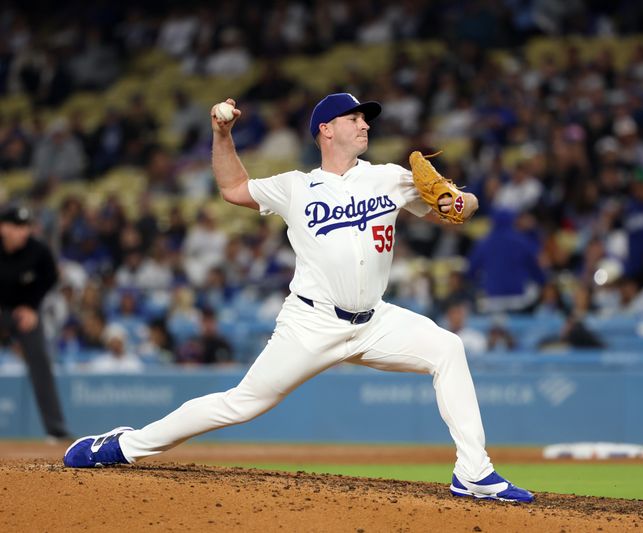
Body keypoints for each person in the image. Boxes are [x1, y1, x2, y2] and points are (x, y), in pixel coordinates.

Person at [64, 93, 533, 503]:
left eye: (366, 119)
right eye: (355, 118)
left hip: (375, 321)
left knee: (447, 348)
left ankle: (473, 473)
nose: (365, 124)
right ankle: (125, 446)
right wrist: (222, 134)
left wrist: (456, 200)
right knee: (241, 404)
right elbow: (231, 189)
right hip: (311, 323)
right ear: (326, 131)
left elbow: (459, 209)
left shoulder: (389, 177)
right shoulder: (295, 186)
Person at [0, 205, 71, 441]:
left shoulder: (38, 250)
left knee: (40, 360)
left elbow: (50, 277)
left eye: (26, 226)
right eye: (18, 226)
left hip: (24, 313)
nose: (24, 232)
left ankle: (56, 429)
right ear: (4, 227)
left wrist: (31, 306)